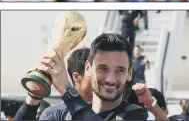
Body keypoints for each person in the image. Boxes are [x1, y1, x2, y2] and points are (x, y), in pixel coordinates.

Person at [32, 33, 168, 120]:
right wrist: (32, 96)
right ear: (88, 68)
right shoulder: (59, 115)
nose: (110, 79)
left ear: (129, 74)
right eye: (103, 69)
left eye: (120, 70)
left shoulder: (141, 117)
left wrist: (67, 90)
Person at [14, 48, 92, 120]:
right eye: (97, 72)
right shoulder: (55, 114)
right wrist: (33, 95)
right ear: (76, 77)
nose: (104, 78)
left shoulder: (101, 111)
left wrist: (66, 88)